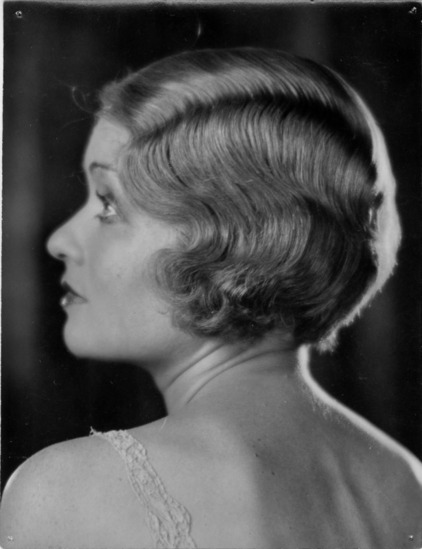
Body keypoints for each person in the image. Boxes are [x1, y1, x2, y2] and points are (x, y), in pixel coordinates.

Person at [0, 47, 421, 549]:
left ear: (227, 236)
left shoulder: (67, 490)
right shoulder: (406, 480)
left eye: (108, 204)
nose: (60, 240)